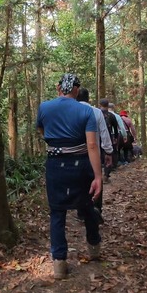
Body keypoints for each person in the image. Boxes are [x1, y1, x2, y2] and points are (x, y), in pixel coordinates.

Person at [37, 73, 104, 279]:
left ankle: (59, 264)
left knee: (57, 212)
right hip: (80, 165)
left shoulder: (44, 108)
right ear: (76, 89)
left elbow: (41, 130)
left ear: (59, 88)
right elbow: (92, 144)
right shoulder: (86, 111)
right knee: (87, 205)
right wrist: (98, 176)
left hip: (55, 165)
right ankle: (93, 247)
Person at [76, 87, 113, 220]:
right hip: (95, 152)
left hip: (76, 153)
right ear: (88, 98)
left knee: (79, 180)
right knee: (96, 178)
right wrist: (108, 151)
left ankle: (81, 211)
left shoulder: (71, 111)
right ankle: (96, 207)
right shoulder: (97, 112)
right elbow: (104, 133)